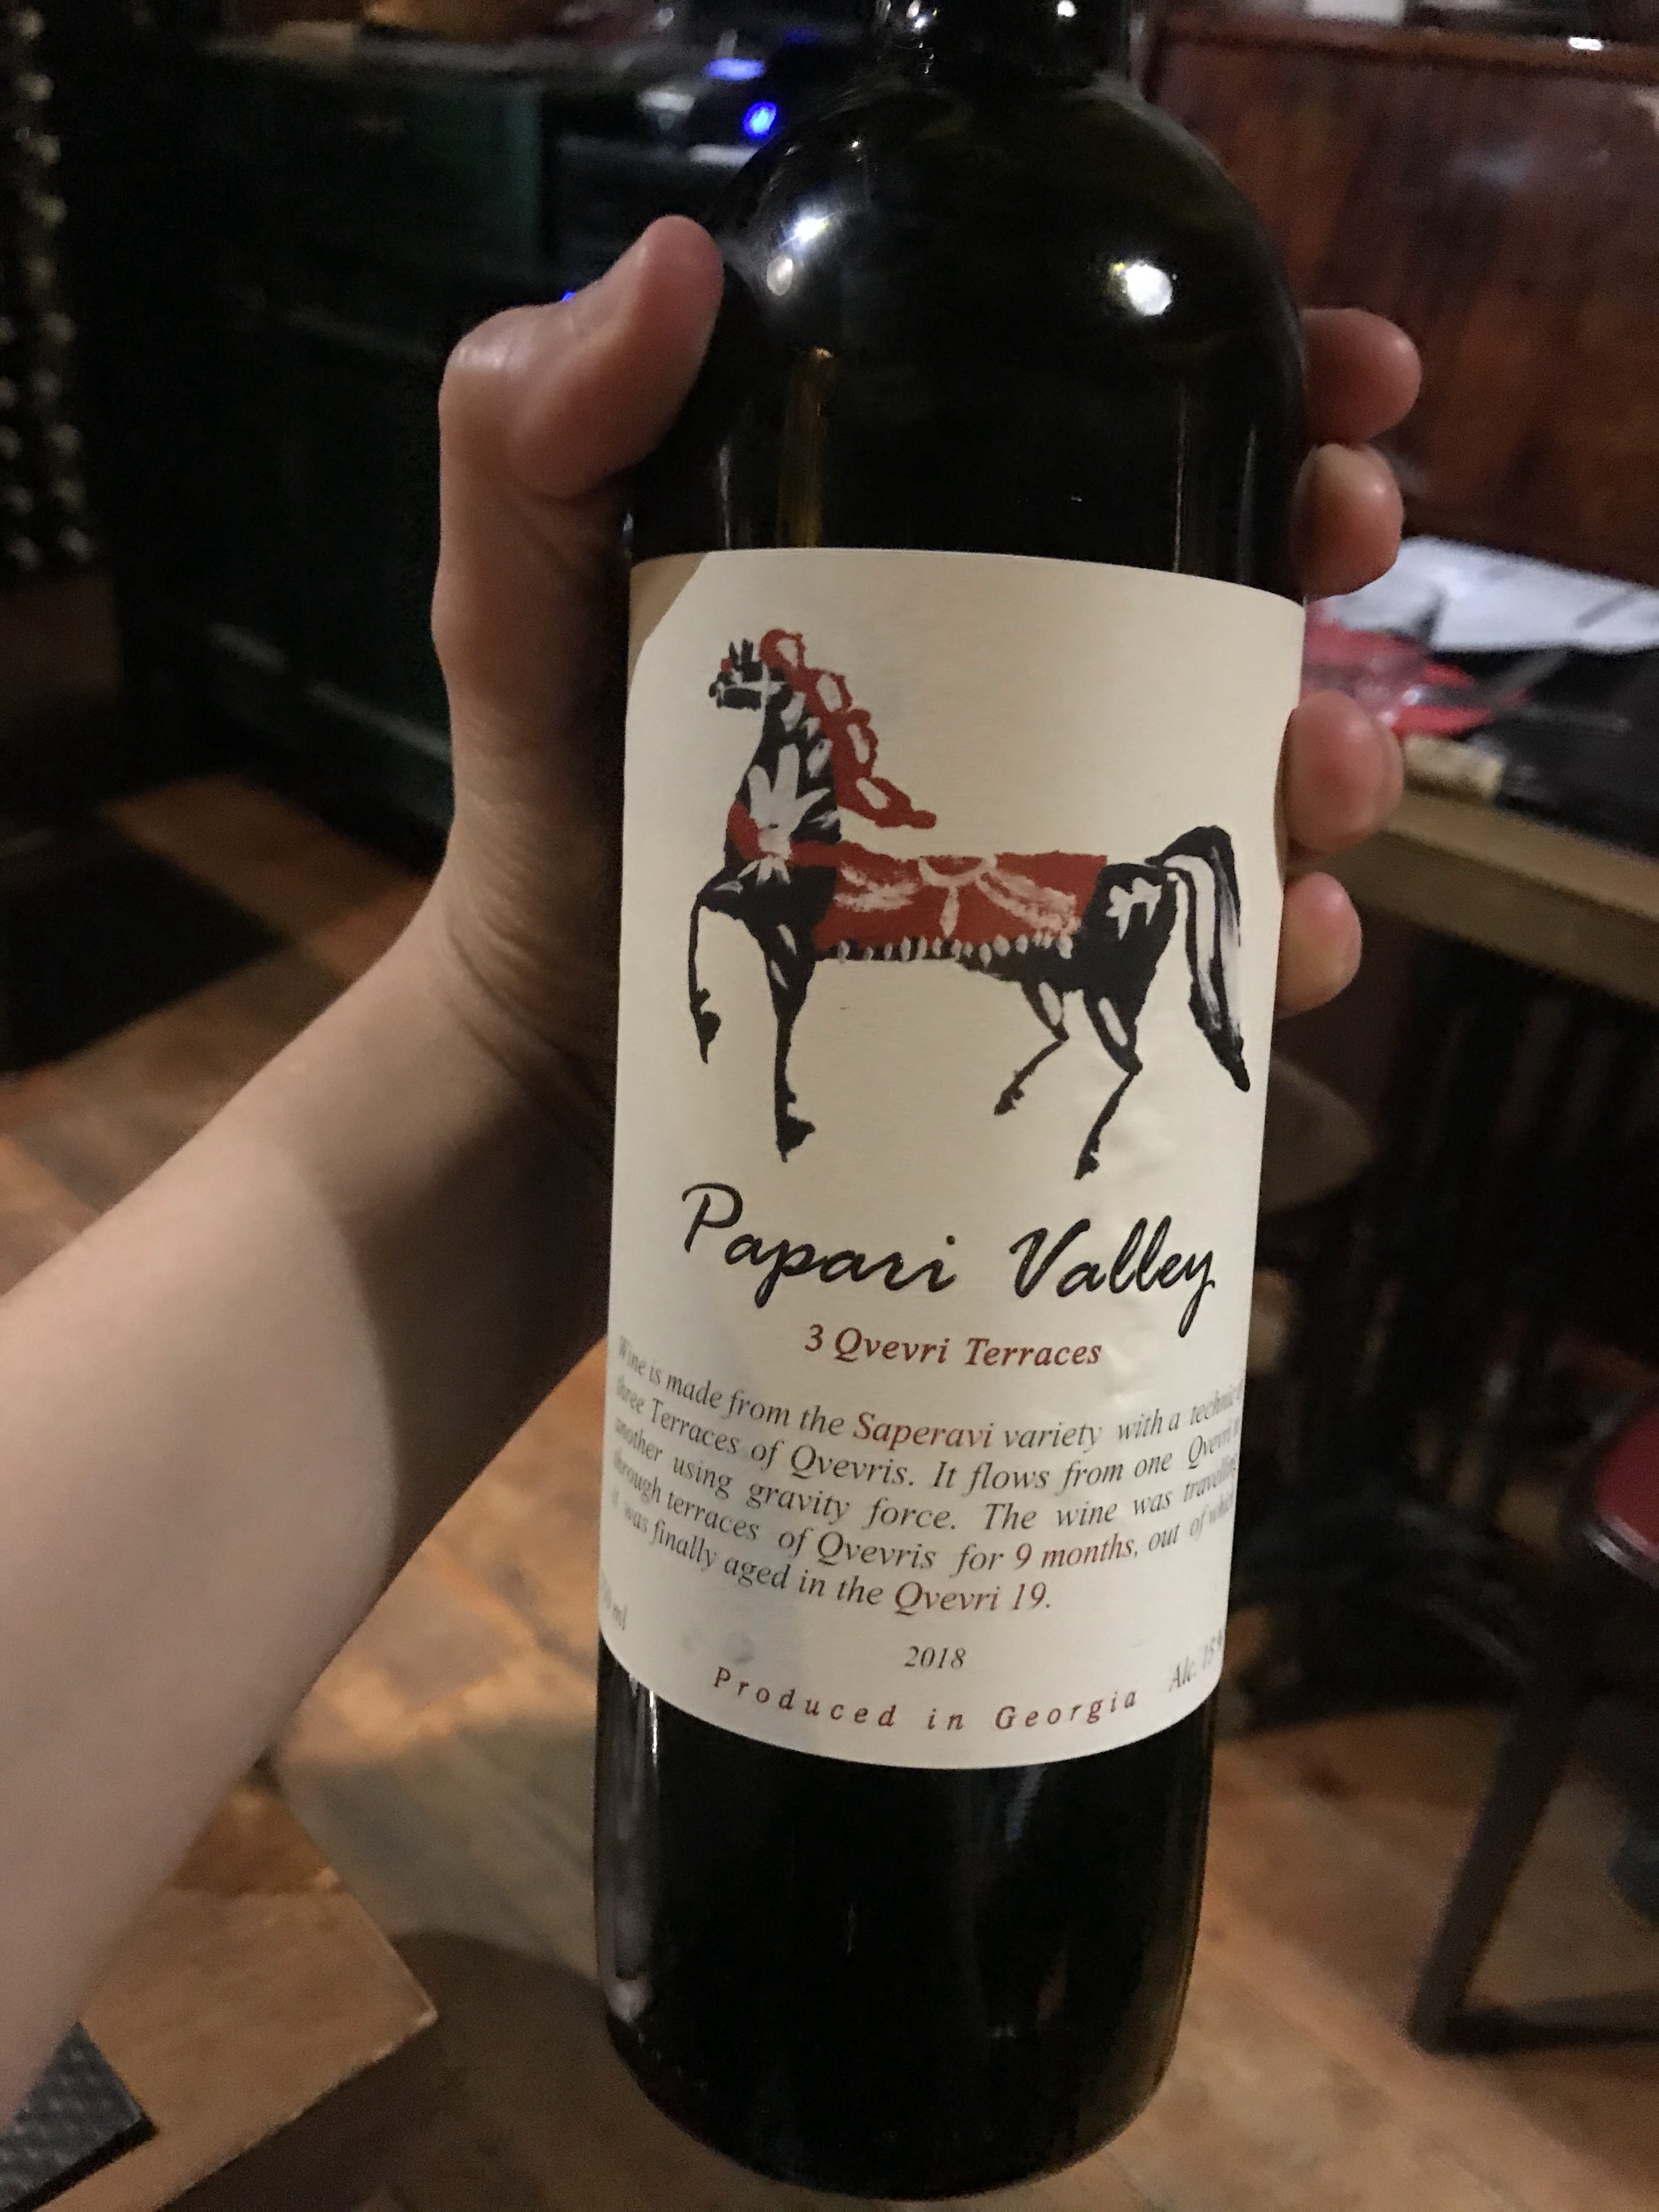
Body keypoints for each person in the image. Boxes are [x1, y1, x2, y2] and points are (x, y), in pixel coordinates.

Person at [0, 218, 1416, 2119]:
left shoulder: (1164, 283)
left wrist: (529, 1054)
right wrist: (524, 1021)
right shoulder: (799, 277)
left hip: (1059, 1591)